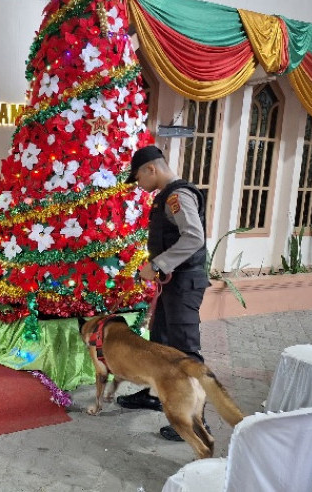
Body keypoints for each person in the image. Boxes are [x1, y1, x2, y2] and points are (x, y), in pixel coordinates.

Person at [116, 145, 210, 442]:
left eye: (139, 178)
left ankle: (195, 420)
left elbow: (194, 237)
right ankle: (156, 395)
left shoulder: (176, 196)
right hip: (173, 283)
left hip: (184, 285)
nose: (140, 185)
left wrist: (158, 263)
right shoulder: (167, 197)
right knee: (159, 345)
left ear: (151, 169)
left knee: (184, 352)